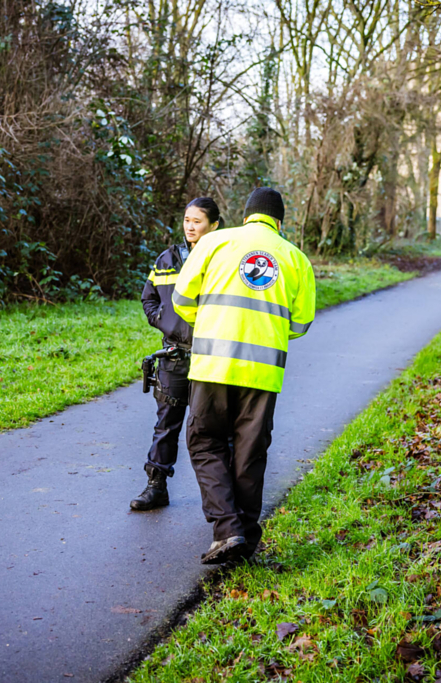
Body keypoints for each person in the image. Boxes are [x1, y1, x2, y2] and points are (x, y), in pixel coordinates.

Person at [172, 187, 315, 564]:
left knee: (205, 441)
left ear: (246, 214)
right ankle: (245, 540)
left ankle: (227, 529)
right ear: (279, 222)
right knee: (250, 453)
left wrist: (210, 320)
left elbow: (181, 300)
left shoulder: (214, 242)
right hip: (263, 373)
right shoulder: (296, 258)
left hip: (213, 365)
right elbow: (301, 323)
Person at [131, 197, 224, 510]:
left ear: (214, 225)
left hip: (210, 357)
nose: (190, 227)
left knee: (211, 427)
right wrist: (163, 321)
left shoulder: (223, 258)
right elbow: (149, 298)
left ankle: (221, 499)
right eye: (187, 220)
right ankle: (156, 487)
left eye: (197, 221)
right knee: (166, 423)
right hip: (174, 357)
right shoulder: (168, 258)